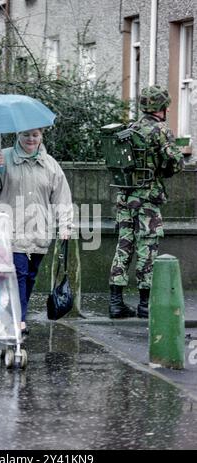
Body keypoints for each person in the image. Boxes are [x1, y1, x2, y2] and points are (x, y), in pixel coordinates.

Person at [0, 128, 73, 334]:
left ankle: (11, 314)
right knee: (18, 275)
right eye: (26, 135)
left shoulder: (50, 164)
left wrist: (65, 225)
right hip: (10, 230)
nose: (30, 139)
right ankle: (18, 320)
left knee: (30, 276)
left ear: (41, 136)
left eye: (35, 135)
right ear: (17, 135)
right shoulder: (2, 157)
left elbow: (62, 197)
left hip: (39, 231)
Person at [109, 85, 184, 319]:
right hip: (148, 200)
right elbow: (175, 161)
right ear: (162, 107)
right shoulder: (161, 130)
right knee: (147, 248)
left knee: (124, 246)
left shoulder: (130, 128)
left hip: (125, 198)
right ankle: (143, 305)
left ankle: (115, 303)